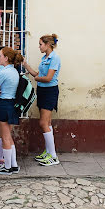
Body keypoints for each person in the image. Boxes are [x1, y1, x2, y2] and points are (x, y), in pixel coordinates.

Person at [23, 34, 61, 166]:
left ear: (48, 44)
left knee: (43, 123)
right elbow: (38, 75)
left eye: (40, 44)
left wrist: (37, 79)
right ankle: (48, 152)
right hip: (43, 91)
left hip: (49, 91)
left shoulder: (54, 58)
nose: (39, 47)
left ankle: (53, 156)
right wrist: (25, 65)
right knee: (47, 123)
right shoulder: (44, 58)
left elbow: (48, 78)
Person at [0, 47, 24, 176]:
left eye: (0, 56)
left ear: (6, 58)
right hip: (11, 103)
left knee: (5, 137)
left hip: (3, 104)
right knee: (8, 136)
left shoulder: (4, 72)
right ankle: (13, 164)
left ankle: (7, 167)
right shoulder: (14, 71)